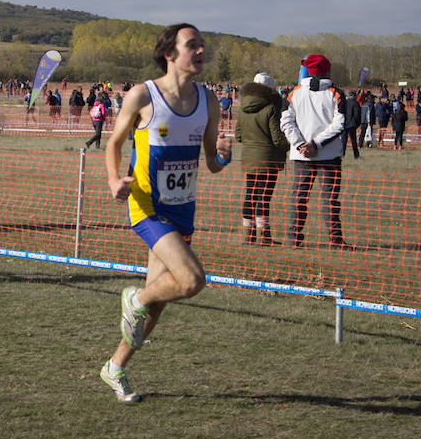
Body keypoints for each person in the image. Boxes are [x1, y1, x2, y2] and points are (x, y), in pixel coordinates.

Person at [99, 23, 231, 403]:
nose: (202, 51)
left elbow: (210, 161)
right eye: (193, 45)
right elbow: (114, 144)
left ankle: (115, 367)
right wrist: (113, 179)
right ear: (170, 53)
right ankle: (134, 299)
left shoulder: (209, 101)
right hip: (147, 206)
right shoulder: (143, 95)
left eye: (204, 44)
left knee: (156, 306)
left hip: (183, 210)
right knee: (190, 281)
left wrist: (223, 153)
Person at [279, 54, 349, 249]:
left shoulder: (294, 93)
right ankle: (336, 240)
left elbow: (285, 122)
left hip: (301, 155)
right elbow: (340, 124)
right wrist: (316, 144)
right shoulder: (335, 93)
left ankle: (294, 238)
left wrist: (301, 144)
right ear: (327, 70)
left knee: (299, 197)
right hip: (329, 155)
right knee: (330, 198)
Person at [234, 72, 289, 245]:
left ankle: (248, 235)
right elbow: (277, 138)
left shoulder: (243, 108)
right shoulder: (271, 108)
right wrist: (290, 146)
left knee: (250, 195)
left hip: (249, 158)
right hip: (268, 159)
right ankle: (264, 236)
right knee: (264, 197)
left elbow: (238, 136)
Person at [342, 88, 361, 159]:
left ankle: (342, 154)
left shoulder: (344, 102)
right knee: (353, 141)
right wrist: (357, 123)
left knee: (343, 140)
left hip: (344, 123)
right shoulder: (355, 102)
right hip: (352, 124)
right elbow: (357, 114)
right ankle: (356, 155)